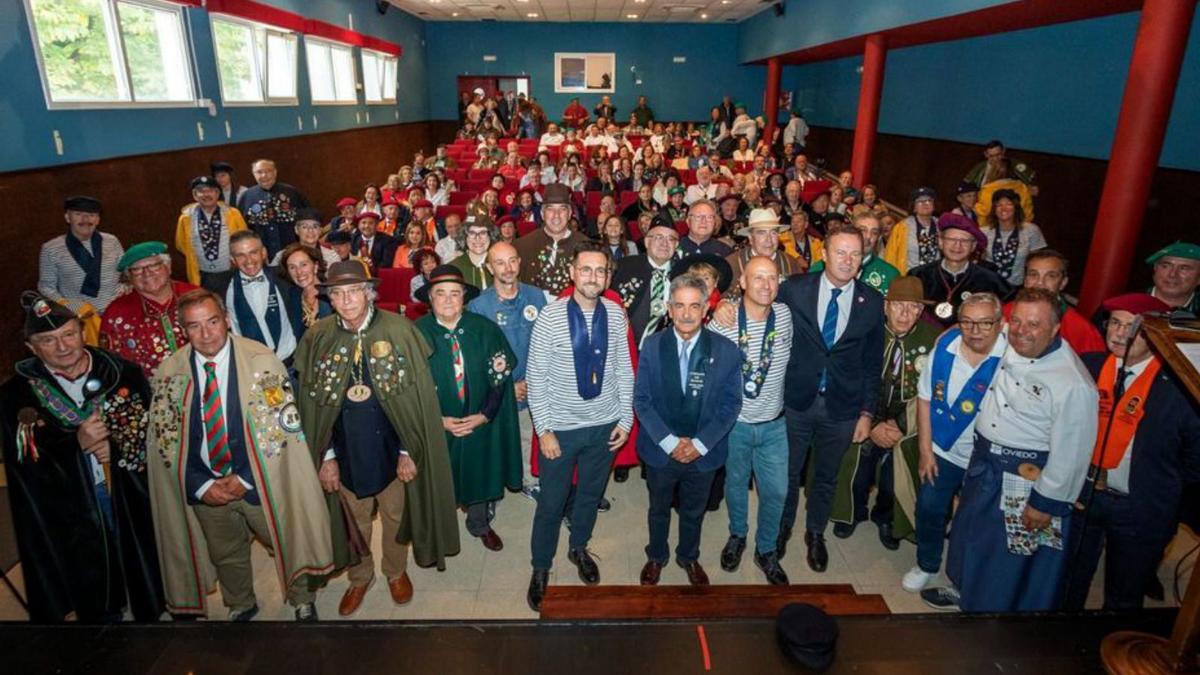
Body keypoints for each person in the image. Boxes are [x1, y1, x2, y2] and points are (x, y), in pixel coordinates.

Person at [146, 288, 332, 621]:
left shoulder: (260, 360)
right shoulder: (169, 372)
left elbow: (280, 429)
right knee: (226, 552)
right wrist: (200, 485)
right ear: (183, 331)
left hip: (258, 479)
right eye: (194, 326)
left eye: (213, 321)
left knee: (285, 537)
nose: (206, 334)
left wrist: (245, 477)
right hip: (206, 484)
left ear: (226, 320)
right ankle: (240, 603)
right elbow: (165, 442)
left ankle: (301, 596)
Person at [293, 260, 460, 616]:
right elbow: (313, 408)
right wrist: (326, 458)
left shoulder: (400, 331)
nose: (347, 300)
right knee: (356, 520)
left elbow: (416, 404)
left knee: (396, 515)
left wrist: (407, 451)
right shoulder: (318, 336)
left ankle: (395, 571)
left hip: (390, 448)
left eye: (354, 291)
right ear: (329, 299)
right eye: (337, 293)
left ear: (370, 293)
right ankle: (360, 576)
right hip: (344, 451)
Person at [928, 288, 1099, 612]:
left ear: (1055, 327)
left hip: (1024, 477)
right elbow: (978, 327)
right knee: (970, 537)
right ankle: (962, 592)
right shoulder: (1007, 339)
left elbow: (1072, 453)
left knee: (1006, 557)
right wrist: (954, 328)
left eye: (1033, 324)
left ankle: (991, 616)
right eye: (1016, 321)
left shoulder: (1073, 383)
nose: (1021, 331)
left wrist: (1044, 503)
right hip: (985, 464)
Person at [1, 292, 164, 622]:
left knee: (139, 561)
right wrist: (76, 444)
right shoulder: (16, 396)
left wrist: (115, 447)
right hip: (70, 510)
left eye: (68, 334)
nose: (63, 347)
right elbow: (24, 469)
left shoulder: (123, 373)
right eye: (48, 340)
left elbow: (155, 433)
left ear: (82, 331)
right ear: (31, 348)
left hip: (127, 493)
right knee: (93, 582)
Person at [1061, 293, 1200, 610]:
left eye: (1133, 326)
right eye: (1116, 323)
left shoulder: (1181, 384)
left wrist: (1161, 483)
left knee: (1123, 594)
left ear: (1156, 333)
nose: (1120, 333)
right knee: (1069, 579)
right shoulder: (1088, 366)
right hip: (1084, 494)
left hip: (1139, 504)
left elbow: (1194, 459)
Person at [526, 242, 634, 611]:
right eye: (585, 270)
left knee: (589, 495)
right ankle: (541, 567)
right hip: (561, 428)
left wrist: (625, 418)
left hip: (604, 428)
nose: (593, 277)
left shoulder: (616, 315)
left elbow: (623, 369)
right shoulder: (550, 317)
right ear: (572, 273)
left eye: (600, 271)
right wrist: (544, 430)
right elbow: (536, 377)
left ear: (608, 276)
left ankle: (578, 547)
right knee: (551, 503)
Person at [772, 224, 885, 570]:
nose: (848, 260)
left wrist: (867, 413)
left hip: (842, 407)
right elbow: (765, 325)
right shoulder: (794, 289)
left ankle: (815, 533)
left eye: (855, 253)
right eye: (840, 252)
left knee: (826, 477)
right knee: (787, 474)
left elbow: (871, 363)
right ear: (824, 254)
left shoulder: (872, 301)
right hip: (795, 401)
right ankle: (781, 529)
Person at [634, 274, 742, 586]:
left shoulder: (726, 351)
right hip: (660, 450)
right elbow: (642, 400)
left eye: (694, 306)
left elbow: (731, 404)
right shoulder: (653, 347)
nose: (686, 313)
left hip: (703, 451)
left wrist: (700, 444)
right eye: (679, 305)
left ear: (707, 308)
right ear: (669, 309)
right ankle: (656, 555)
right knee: (658, 508)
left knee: (694, 511)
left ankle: (688, 556)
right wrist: (669, 442)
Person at [901, 292, 1008, 595]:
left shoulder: (1012, 357)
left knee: (976, 520)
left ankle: (968, 576)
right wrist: (925, 451)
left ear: (1000, 324)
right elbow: (923, 399)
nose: (975, 330)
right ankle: (927, 563)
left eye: (985, 323)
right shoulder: (944, 348)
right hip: (943, 448)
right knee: (930, 507)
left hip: (987, 457)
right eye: (967, 322)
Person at [828, 276, 939, 552]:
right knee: (855, 462)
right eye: (898, 305)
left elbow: (935, 394)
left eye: (912, 307)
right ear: (885, 307)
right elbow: (846, 381)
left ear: (921, 311)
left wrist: (902, 426)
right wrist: (873, 424)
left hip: (908, 425)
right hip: (864, 416)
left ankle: (887, 518)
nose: (904, 313)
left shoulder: (934, 341)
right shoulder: (864, 333)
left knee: (895, 473)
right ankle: (851, 511)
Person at [416, 266, 522, 550]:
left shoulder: (484, 329)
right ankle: (440, 524)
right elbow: (408, 390)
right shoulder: (415, 333)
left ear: (464, 296)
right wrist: (438, 420)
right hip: (436, 424)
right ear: (430, 298)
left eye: (455, 293)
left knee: (479, 470)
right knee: (440, 477)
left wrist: (484, 416)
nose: (449, 300)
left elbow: (500, 380)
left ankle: (479, 523)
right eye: (441, 294)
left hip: (478, 422)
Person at [709, 256, 793, 585]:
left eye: (772, 278)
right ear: (742, 282)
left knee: (776, 492)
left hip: (774, 424)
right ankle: (738, 535)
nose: (766, 285)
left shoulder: (785, 316)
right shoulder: (724, 322)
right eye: (758, 278)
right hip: (735, 425)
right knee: (736, 486)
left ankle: (767, 549)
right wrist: (719, 306)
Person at [469, 242, 548, 499]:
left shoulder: (537, 296)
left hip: (533, 385)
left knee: (528, 437)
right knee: (498, 441)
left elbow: (547, 341)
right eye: (500, 263)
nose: (508, 268)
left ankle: (528, 479)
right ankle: (492, 489)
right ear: (490, 266)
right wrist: (506, 386)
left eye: (513, 260)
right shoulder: (479, 306)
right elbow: (477, 356)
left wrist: (534, 381)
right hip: (499, 390)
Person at [100, 242, 197, 377]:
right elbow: (111, 365)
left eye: (154, 266)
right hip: (149, 392)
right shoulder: (116, 314)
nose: (146, 273)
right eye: (137, 270)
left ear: (168, 267)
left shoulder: (195, 296)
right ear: (129, 277)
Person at [908, 213, 1011, 327]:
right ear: (941, 242)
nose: (957, 245)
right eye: (952, 239)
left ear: (973, 246)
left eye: (964, 241)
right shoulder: (917, 276)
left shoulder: (991, 281)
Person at [216, 231, 299, 364]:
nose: (249, 260)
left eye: (253, 252)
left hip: (291, 361)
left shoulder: (284, 278)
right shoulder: (221, 288)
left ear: (264, 253)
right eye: (240, 255)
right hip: (250, 366)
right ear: (232, 259)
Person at [1002, 249, 1105, 355]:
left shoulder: (1082, 330)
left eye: (1051, 276)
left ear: (1063, 283)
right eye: (1033, 274)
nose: (1040, 283)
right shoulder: (1003, 314)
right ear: (1025, 280)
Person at [38, 196, 124, 320]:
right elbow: (46, 287)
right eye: (78, 214)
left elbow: (126, 270)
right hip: (81, 316)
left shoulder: (112, 241)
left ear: (98, 219)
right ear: (68, 217)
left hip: (117, 310)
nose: (86, 219)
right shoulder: (51, 249)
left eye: (92, 215)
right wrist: (70, 306)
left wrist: (128, 286)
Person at [611, 217, 678, 349]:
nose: (665, 243)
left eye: (671, 239)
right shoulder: (623, 268)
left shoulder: (682, 273)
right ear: (647, 242)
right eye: (658, 237)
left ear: (676, 245)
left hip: (665, 349)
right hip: (624, 348)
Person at [176, 176, 249, 290]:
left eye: (210, 190)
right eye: (201, 191)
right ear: (195, 195)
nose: (206, 195)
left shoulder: (233, 214)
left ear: (217, 193)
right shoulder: (185, 218)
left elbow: (245, 240)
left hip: (232, 271)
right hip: (203, 275)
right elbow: (181, 244)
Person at [514, 183, 586, 295]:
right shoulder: (522, 246)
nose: (556, 215)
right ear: (542, 214)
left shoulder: (586, 247)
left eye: (562, 209)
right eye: (550, 209)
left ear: (570, 213)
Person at [236, 159, 310, 260]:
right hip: (261, 257)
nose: (264, 175)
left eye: (268, 171)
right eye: (259, 172)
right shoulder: (247, 197)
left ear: (275, 172)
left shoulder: (292, 193)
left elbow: (307, 220)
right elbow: (242, 229)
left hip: (292, 254)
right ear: (253, 174)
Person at [810, 212, 899, 294]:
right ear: (851, 231)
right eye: (863, 230)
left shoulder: (890, 274)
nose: (868, 236)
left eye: (874, 232)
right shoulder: (821, 268)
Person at [724, 209, 803, 296]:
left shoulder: (792, 264)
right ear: (750, 238)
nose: (768, 240)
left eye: (773, 233)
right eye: (761, 233)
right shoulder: (731, 265)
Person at [982, 189, 1047, 285]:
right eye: (999, 205)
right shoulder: (983, 232)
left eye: (1009, 204)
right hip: (990, 286)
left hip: (1020, 287)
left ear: (1016, 208)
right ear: (994, 209)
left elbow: (1037, 262)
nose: (1003, 208)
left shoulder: (1031, 230)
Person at [279, 243, 333, 337]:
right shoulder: (291, 298)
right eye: (292, 267)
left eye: (303, 265)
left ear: (315, 266)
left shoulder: (333, 294)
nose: (299, 272)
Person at [883, 187, 939, 274]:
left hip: (933, 279)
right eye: (920, 201)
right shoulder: (902, 227)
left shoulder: (941, 226)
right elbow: (890, 256)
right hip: (908, 279)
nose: (925, 204)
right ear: (914, 207)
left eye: (929, 200)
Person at [1146, 241, 1200, 315]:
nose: (1172, 274)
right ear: (1155, 269)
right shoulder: (1128, 304)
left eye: (1184, 268)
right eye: (1165, 266)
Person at [964, 139, 1037, 193]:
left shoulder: (1014, 165)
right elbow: (967, 185)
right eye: (991, 156)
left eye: (998, 155)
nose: (995, 159)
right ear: (986, 154)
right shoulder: (979, 168)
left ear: (1003, 151)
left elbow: (1032, 187)